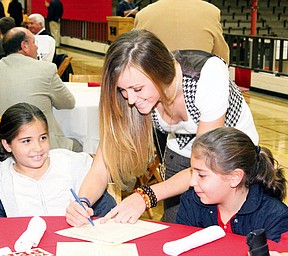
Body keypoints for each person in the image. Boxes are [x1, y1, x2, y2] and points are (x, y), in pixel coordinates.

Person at [65, 29, 259, 226]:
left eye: (138, 89)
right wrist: (83, 201)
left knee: (228, 224)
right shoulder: (136, 94)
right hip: (181, 150)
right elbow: (102, 165)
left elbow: (205, 164)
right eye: (123, 90)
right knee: (177, 226)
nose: (131, 99)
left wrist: (145, 195)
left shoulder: (207, 74)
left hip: (229, 153)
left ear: (159, 73)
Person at [0, 103, 116, 218]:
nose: (38, 147)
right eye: (26, 141)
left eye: (43, 138)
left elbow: (106, 211)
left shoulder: (73, 166)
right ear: (7, 145)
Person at [0, 27, 81, 173]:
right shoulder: (46, 69)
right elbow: (68, 103)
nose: (37, 47)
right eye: (34, 42)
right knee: (79, 146)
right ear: (24, 46)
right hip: (38, 154)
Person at [176, 127, 288, 242]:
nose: (191, 182)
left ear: (235, 177)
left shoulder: (275, 217)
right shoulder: (191, 202)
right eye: (192, 172)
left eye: (201, 175)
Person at [134, 0, 229, 63]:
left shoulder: (143, 15)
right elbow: (221, 57)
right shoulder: (211, 11)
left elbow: (135, 58)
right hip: (200, 85)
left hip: (157, 84)